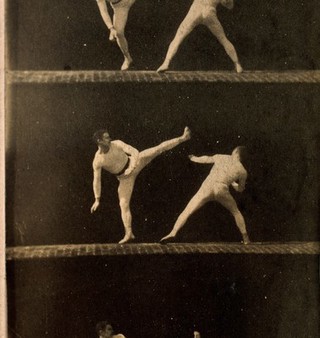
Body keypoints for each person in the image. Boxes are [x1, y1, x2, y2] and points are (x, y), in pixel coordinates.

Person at [91, 127, 191, 244]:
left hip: (136, 162)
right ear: (99, 141)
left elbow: (134, 151)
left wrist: (132, 167)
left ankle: (184, 138)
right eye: (107, 138)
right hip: (125, 179)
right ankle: (129, 234)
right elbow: (96, 180)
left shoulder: (116, 143)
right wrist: (97, 199)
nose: (110, 139)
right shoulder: (97, 160)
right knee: (123, 204)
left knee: (158, 148)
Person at [160, 146, 250, 244]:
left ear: (236, 152)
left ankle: (173, 232)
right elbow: (240, 189)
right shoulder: (243, 171)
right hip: (222, 189)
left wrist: (193, 158)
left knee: (188, 210)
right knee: (235, 211)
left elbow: (206, 159)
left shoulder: (222, 157)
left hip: (208, 186)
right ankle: (246, 238)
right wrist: (232, 183)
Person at [157, 0, 243, 73]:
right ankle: (237, 64)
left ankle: (166, 63)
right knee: (223, 39)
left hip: (196, 10)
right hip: (209, 11)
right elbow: (230, 6)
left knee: (178, 37)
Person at [96, 0, 136, 70]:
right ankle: (127, 58)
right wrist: (111, 28)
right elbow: (103, 11)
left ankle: (163, 63)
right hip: (120, 6)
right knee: (118, 33)